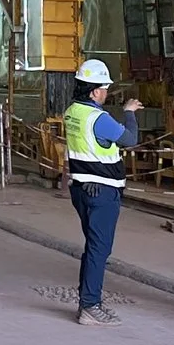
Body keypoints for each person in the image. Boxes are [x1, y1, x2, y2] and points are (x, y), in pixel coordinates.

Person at [63, 59, 142, 325]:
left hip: (81, 189)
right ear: (95, 91)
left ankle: (89, 301)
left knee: (93, 247)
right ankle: (89, 305)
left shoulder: (72, 112)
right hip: (102, 191)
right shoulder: (99, 118)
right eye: (105, 88)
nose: (106, 93)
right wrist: (129, 112)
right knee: (99, 250)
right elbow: (130, 140)